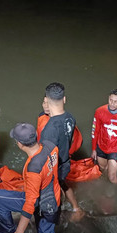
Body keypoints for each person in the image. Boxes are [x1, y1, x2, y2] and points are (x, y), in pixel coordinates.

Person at [0, 123, 61, 233]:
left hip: (42, 206)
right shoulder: (50, 146)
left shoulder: (34, 168)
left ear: (19, 144)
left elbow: (30, 202)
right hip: (54, 198)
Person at [39, 83, 81, 212]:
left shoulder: (50, 129)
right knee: (63, 183)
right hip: (65, 163)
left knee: (52, 191)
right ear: (64, 99)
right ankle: (76, 208)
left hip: (55, 167)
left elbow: (45, 158)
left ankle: (56, 211)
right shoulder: (70, 117)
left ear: (46, 100)